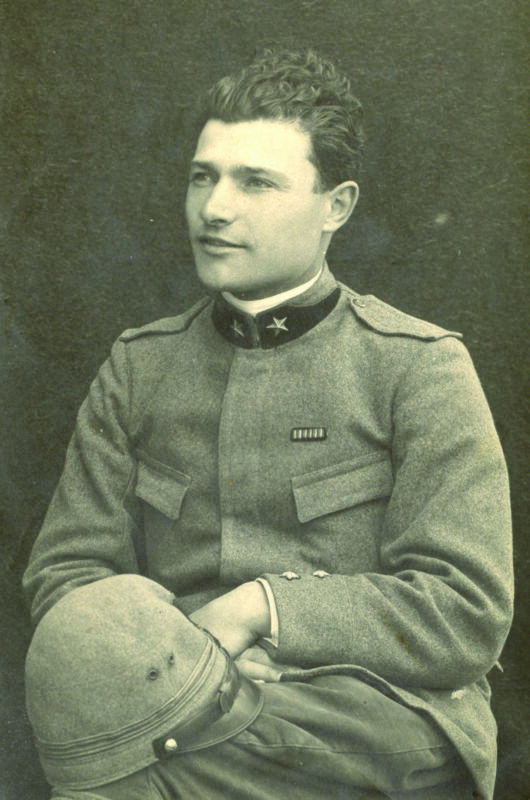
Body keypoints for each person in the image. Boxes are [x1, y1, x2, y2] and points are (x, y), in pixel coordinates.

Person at [23, 48, 513, 800]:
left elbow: (464, 611)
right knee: (130, 754)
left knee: (118, 771)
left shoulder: (417, 366)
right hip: (178, 699)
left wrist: (263, 608)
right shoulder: (140, 367)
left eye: (255, 181)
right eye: (203, 177)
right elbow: (67, 578)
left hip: (375, 714)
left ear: (335, 207)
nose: (215, 208)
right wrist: (193, 659)